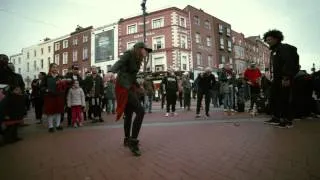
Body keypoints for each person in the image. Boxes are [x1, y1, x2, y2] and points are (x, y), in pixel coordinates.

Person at [110, 42, 152, 156]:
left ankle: (127, 139)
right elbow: (119, 63)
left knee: (128, 114)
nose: (146, 52)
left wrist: (139, 87)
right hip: (123, 87)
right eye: (145, 50)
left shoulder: (138, 60)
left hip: (129, 86)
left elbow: (132, 76)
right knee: (141, 111)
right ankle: (133, 142)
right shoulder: (129, 54)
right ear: (139, 49)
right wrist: (111, 72)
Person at [263, 29, 300, 128]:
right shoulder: (274, 51)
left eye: (269, 39)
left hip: (284, 78)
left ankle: (287, 121)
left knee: (284, 99)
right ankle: (276, 118)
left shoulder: (284, 48)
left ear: (276, 38)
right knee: (275, 98)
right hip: (276, 79)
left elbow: (289, 62)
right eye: (266, 40)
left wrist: (286, 77)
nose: (267, 41)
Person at [41, 63, 69, 132]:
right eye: (53, 67)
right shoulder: (46, 77)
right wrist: (46, 90)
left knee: (58, 111)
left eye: (56, 67)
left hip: (59, 96)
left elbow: (65, 86)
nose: (55, 69)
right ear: (50, 68)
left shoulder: (60, 77)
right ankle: (50, 126)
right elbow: (42, 87)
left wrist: (65, 82)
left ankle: (58, 125)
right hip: (49, 97)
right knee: (50, 112)